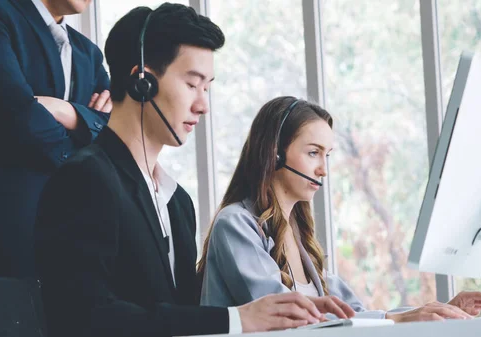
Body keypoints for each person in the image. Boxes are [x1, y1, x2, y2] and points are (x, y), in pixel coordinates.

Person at [34, 4, 354, 337]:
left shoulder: (178, 203)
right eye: (192, 85)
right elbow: (83, 317)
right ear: (141, 82)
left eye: (207, 88)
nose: (203, 105)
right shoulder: (85, 180)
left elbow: (181, 316)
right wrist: (237, 319)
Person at [198, 96, 481, 322]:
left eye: (327, 155)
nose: (323, 170)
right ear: (275, 154)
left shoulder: (300, 241)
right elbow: (287, 319)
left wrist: (437, 311)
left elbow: (357, 314)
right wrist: (399, 319)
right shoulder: (235, 225)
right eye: (313, 153)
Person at [0, 0, 111, 277]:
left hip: (68, 251)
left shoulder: (88, 53)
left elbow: (114, 137)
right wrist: (85, 137)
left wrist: (66, 111)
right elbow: (17, 118)